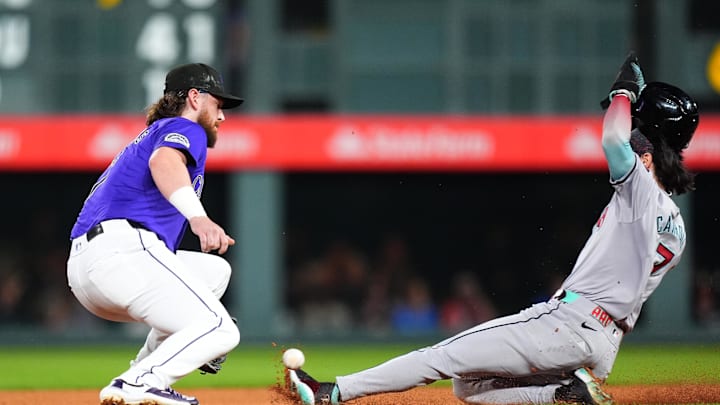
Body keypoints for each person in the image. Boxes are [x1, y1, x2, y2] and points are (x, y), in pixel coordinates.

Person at [287, 52, 698, 405]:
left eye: (640, 137)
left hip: (569, 322)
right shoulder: (676, 230)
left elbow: (612, 140)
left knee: (440, 357)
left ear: (649, 150)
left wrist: (623, 92)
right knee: (468, 386)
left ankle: (330, 393)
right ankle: (565, 394)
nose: (632, 139)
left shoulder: (640, 188)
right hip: (605, 344)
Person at [66, 63, 244, 405]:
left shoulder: (153, 132)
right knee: (221, 329)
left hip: (90, 268)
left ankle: (140, 373)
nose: (221, 116)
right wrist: (199, 219)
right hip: (122, 252)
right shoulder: (183, 127)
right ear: (195, 97)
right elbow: (164, 163)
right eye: (218, 104)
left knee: (215, 272)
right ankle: (137, 384)